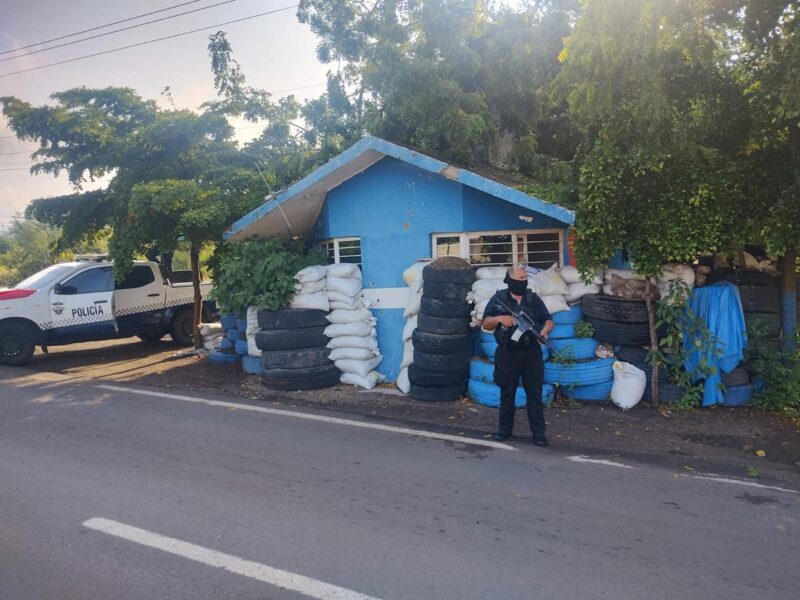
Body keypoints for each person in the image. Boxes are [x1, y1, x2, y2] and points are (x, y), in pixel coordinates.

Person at [482, 266, 554, 446]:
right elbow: (486, 323)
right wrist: (500, 319)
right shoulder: (499, 299)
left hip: (531, 353)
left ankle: (538, 434)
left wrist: (544, 331)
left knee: (534, 393)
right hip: (508, 353)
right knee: (507, 392)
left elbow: (548, 319)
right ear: (510, 280)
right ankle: (504, 430)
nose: (523, 281)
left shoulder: (533, 299)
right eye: (520, 278)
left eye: (525, 278)